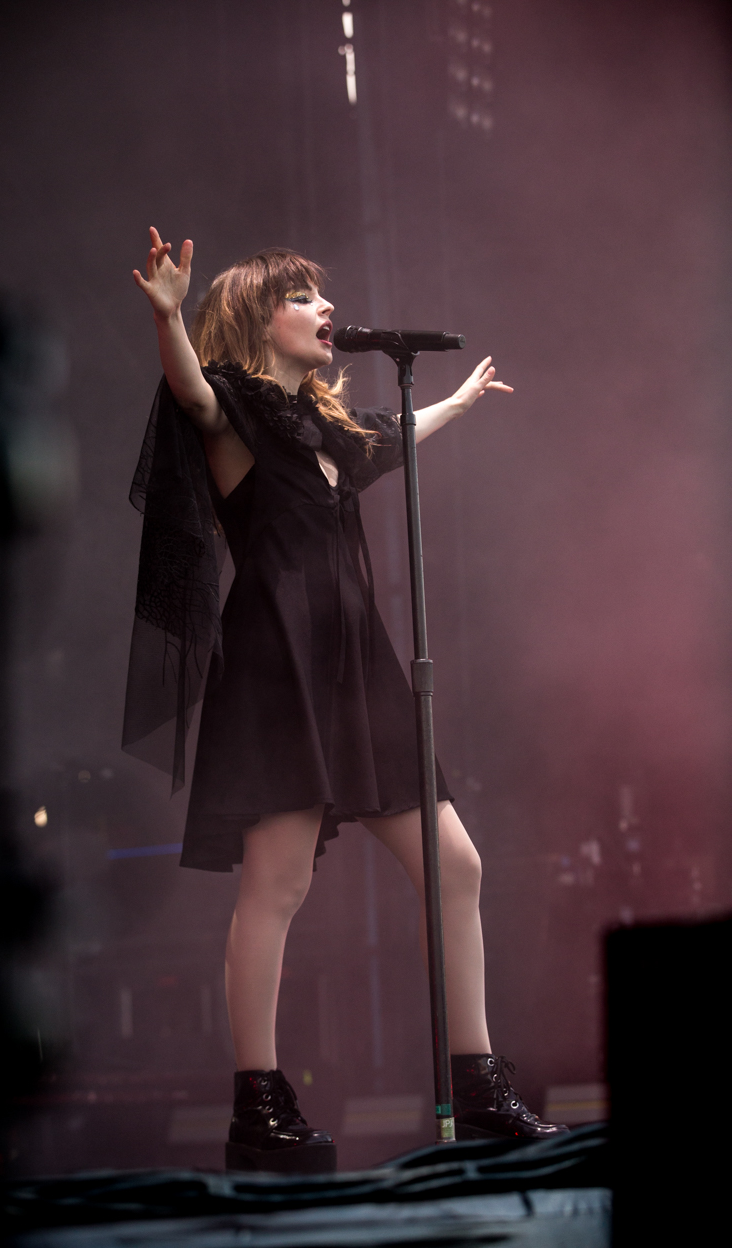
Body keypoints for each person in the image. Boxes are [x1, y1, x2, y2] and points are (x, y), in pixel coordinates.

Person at [124, 227, 568, 1172]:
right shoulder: (235, 411)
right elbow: (190, 392)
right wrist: (169, 317)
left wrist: (457, 400)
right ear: (260, 320)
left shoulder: (327, 430)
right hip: (278, 665)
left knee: (455, 866)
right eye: (304, 298)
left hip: (358, 665)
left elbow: (390, 440)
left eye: (324, 296)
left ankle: (479, 1084)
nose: (328, 308)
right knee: (277, 884)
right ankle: (258, 1102)